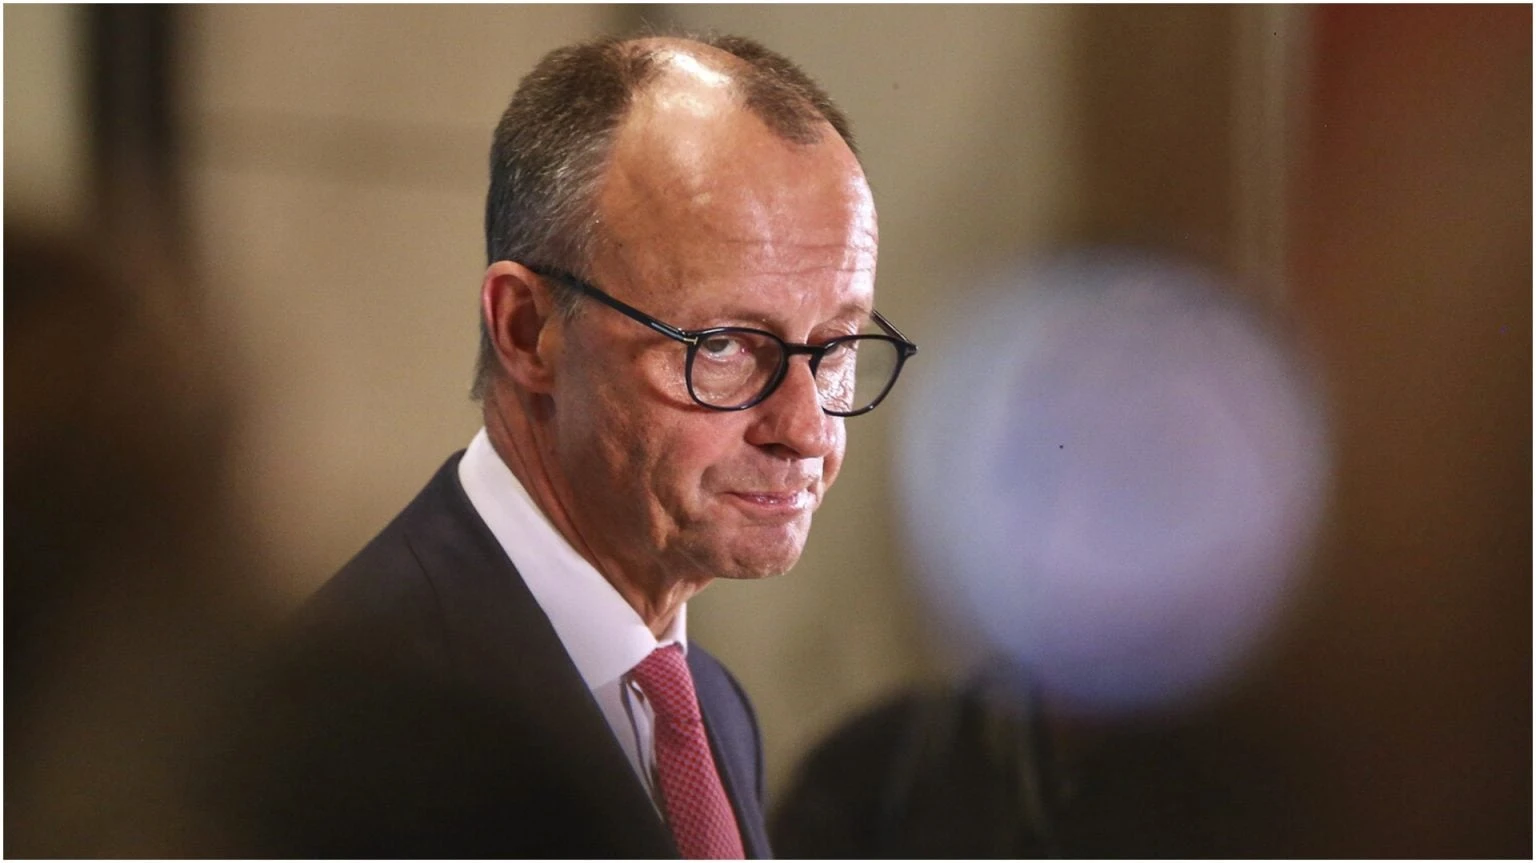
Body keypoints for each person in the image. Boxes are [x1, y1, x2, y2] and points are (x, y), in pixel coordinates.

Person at [227, 32, 917, 859]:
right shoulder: (350, 736)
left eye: (835, 346)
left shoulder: (711, 706)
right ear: (527, 330)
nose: (804, 429)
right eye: (726, 346)